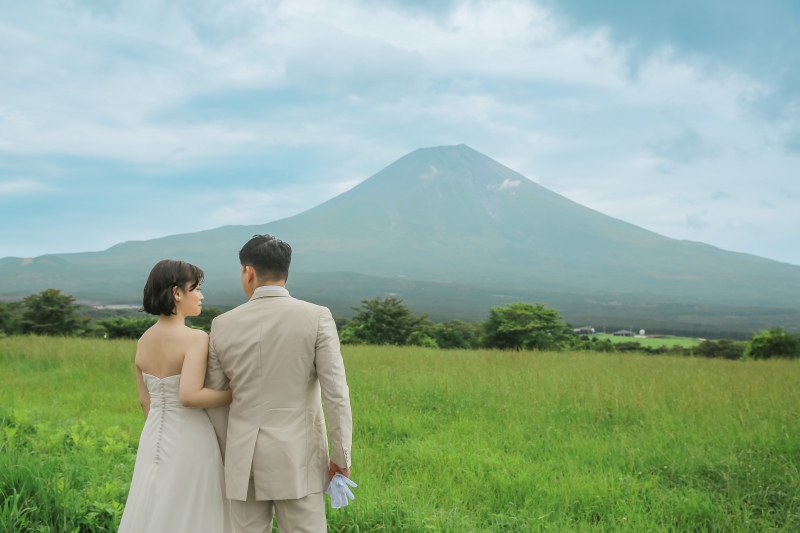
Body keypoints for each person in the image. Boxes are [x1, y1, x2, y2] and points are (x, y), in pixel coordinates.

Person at [204, 234, 353, 533]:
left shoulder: (221, 324)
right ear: (286, 270)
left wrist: (228, 454)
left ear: (249, 272)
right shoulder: (317, 317)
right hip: (299, 458)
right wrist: (341, 456)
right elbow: (336, 394)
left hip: (242, 458)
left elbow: (217, 400)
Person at [119, 260, 233, 533]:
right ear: (177, 293)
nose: (201, 296)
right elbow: (190, 396)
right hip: (191, 437)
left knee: (155, 500)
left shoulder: (143, 340)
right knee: (194, 508)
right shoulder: (196, 338)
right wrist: (235, 394)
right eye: (195, 288)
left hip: (153, 436)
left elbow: (145, 401)